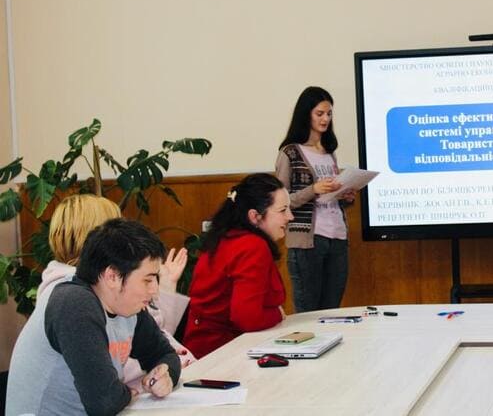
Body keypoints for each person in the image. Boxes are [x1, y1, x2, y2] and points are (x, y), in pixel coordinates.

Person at [6, 219, 181, 415]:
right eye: (147, 280)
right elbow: (105, 402)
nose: (155, 290)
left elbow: (165, 355)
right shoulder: (73, 304)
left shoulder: (127, 306)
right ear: (112, 276)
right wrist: (128, 393)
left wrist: (165, 373)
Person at [37, 194, 195, 385]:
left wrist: (165, 365)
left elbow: (151, 340)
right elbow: (110, 374)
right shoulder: (75, 299)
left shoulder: (103, 288)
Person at [182, 173, 292, 358]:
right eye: (283, 210)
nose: (290, 216)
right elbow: (247, 318)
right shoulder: (252, 246)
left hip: (203, 349)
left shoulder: (224, 238)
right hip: (221, 354)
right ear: (254, 216)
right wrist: (278, 314)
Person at [275, 86, 355, 313]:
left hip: (337, 237)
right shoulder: (290, 152)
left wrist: (345, 196)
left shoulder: (329, 152)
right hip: (308, 241)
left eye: (329, 113)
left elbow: (329, 196)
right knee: (309, 313)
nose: (325, 119)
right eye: (319, 113)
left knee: (331, 311)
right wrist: (314, 189)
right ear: (306, 114)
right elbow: (280, 201)